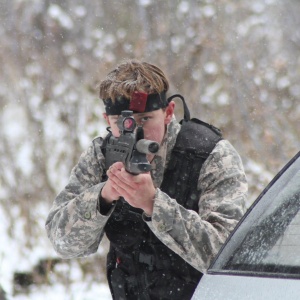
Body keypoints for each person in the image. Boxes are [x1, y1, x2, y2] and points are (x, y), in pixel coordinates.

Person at [46, 59, 248, 299]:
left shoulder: (210, 155)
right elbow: (63, 242)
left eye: (145, 120)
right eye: (122, 124)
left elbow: (227, 258)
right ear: (106, 121)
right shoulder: (101, 157)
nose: (134, 133)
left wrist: (154, 205)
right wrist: (104, 197)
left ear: (168, 112)